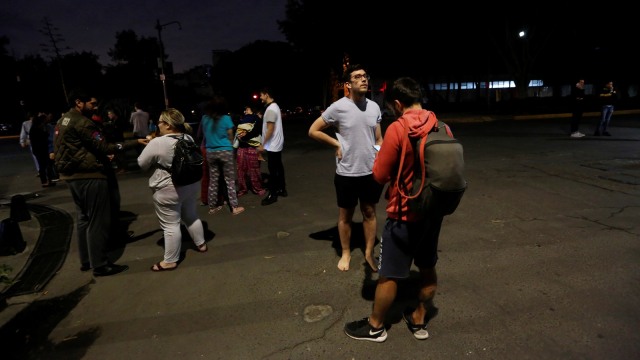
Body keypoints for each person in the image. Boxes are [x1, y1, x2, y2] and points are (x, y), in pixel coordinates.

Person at [344, 77, 447, 342]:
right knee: (426, 267)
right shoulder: (441, 126)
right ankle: (419, 317)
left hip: (404, 213)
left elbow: (379, 174)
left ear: (398, 104)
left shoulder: (398, 129)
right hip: (432, 212)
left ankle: (376, 326)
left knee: (389, 274)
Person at [54, 89, 139, 277]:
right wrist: (135, 143)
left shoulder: (63, 120)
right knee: (97, 221)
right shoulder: (83, 123)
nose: (96, 107)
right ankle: (100, 264)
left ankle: (87, 261)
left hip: (72, 176)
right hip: (90, 175)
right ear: (79, 102)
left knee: (84, 218)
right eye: (92, 103)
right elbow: (105, 146)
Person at [308, 64, 383, 272]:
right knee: (345, 216)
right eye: (358, 76)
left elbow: (378, 138)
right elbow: (313, 130)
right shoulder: (338, 107)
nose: (364, 79)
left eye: (365, 76)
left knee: (369, 212)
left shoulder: (374, 107)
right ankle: (346, 252)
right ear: (348, 84)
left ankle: (369, 252)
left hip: (370, 171)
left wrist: (380, 155)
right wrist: (336, 143)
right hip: (347, 172)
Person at [137, 108, 208, 271]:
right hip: (191, 185)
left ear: (168, 125)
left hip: (168, 188)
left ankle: (170, 260)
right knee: (191, 215)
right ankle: (201, 244)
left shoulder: (158, 142)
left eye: (160, 122)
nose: (158, 125)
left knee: (170, 225)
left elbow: (142, 163)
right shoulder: (188, 137)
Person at [201, 95, 245, 215]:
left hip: (210, 151)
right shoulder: (226, 118)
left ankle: (212, 207)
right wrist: (230, 147)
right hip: (225, 151)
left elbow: (204, 135)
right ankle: (234, 207)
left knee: (214, 180)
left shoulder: (205, 118)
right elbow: (230, 135)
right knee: (229, 180)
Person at [258, 87, 287, 206]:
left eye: (261, 95)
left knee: (273, 169)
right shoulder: (275, 107)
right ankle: (282, 189)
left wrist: (262, 144)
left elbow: (270, 129)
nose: (260, 97)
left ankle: (273, 194)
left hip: (272, 144)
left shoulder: (270, 109)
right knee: (278, 167)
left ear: (267, 95)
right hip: (277, 143)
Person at [235, 104, 266, 197]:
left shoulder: (257, 119)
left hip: (252, 147)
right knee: (241, 169)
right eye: (245, 110)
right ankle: (242, 189)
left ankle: (257, 188)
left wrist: (245, 136)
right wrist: (241, 134)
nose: (245, 111)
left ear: (252, 109)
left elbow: (256, 131)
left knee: (254, 169)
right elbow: (238, 129)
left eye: (247, 109)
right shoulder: (242, 119)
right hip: (242, 147)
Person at [29, 113, 57, 187]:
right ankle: (45, 181)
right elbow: (43, 138)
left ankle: (47, 181)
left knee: (46, 166)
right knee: (44, 166)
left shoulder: (35, 128)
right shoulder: (36, 129)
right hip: (41, 150)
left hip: (39, 150)